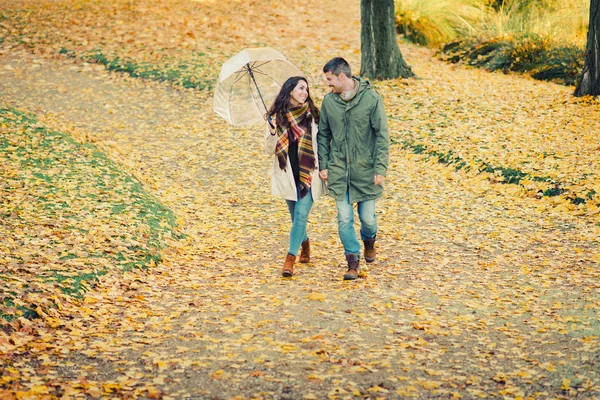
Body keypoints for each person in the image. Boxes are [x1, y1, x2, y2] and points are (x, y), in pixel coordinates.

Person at [317, 57, 390, 280]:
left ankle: (370, 241)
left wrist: (380, 167)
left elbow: (381, 135)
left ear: (342, 76)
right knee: (344, 218)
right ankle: (352, 261)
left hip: (365, 170)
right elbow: (323, 135)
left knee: (367, 218)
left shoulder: (371, 99)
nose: (328, 84)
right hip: (339, 170)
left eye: (330, 79)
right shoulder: (329, 102)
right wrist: (325, 164)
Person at [264, 76, 326, 277]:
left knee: (301, 215)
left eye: (307, 89)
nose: (305, 92)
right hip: (287, 174)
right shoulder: (276, 117)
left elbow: (324, 143)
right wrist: (272, 132)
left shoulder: (313, 115)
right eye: (301, 88)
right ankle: (305, 243)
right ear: (290, 90)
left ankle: (289, 260)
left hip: (309, 173)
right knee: (295, 217)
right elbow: (268, 150)